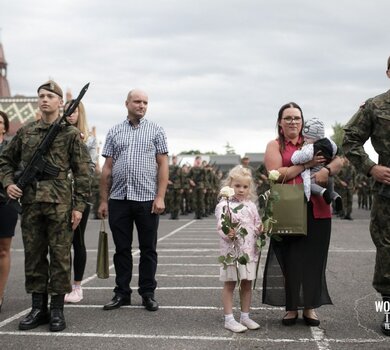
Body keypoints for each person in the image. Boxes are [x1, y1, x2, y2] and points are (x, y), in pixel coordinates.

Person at [0, 80, 91, 331]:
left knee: (61, 257)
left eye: (50, 96)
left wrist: (79, 206)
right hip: (30, 204)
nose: (44, 99)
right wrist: (9, 184)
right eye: (41, 95)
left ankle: (57, 310)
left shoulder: (70, 134)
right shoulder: (26, 132)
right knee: (34, 257)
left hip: (61, 205)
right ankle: (38, 308)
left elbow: (83, 174)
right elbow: (4, 161)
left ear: (60, 102)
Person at [262, 102, 342, 326]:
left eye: (297, 118)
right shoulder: (275, 146)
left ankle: (309, 307)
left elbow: (339, 159)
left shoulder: (317, 141)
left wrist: (326, 169)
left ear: (302, 122)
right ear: (280, 122)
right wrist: (307, 164)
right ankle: (291, 308)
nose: (293, 122)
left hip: (317, 208)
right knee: (290, 259)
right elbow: (276, 175)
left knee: (313, 260)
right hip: (288, 208)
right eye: (288, 118)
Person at [98, 89, 168, 312]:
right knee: (121, 249)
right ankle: (122, 293)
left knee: (148, 249)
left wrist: (160, 196)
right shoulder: (115, 131)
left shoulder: (156, 130)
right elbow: (107, 168)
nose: (142, 105)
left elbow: (163, 164)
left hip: (147, 199)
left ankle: (148, 293)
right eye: (137, 101)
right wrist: (103, 200)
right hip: (119, 199)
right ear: (126, 103)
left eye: (145, 102)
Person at [342, 55, 390, 336]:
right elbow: (349, 138)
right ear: (387, 72)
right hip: (387, 191)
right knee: (387, 250)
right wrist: (371, 168)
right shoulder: (375, 106)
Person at [215, 165, 262, 333]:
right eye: (237, 186)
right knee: (230, 284)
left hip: (248, 252)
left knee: (247, 284)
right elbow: (220, 225)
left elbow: (256, 224)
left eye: (245, 186)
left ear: (250, 188)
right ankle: (229, 318)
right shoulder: (224, 205)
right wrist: (228, 232)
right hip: (231, 252)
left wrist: (261, 229)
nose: (241, 190)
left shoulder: (251, 205)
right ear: (230, 185)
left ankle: (245, 316)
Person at [64, 100, 98, 303]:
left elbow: (90, 169)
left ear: (80, 113)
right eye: (67, 110)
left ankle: (77, 287)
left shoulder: (89, 140)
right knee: (59, 244)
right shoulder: (55, 134)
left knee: (78, 241)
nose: (70, 114)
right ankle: (62, 285)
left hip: (79, 196)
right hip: (57, 195)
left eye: (74, 111)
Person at [291, 117, 342, 211]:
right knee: (331, 190)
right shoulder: (330, 144)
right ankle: (335, 196)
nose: (305, 139)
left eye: (307, 137)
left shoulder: (310, 147)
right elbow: (336, 152)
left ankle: (322, 192)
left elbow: (297, 159)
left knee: (308, 184)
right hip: (328, 175)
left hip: (314, 174)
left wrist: (297, 152)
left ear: (313, 137)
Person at [0, 111, 19, 313]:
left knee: (3, 250)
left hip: (5, 203)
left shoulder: (10, 148)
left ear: (5, 127)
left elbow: (17, 171)